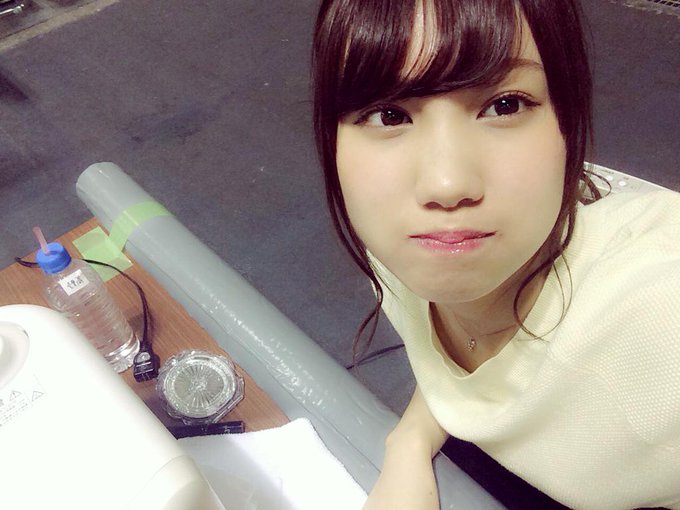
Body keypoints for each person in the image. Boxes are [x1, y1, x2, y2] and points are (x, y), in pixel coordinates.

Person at [311, 0, 680, 509]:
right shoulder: (418, 249)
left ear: (569, 121)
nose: (446, 185)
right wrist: (410, 444)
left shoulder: (660, 323)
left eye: (505, 105)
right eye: (389, 115)